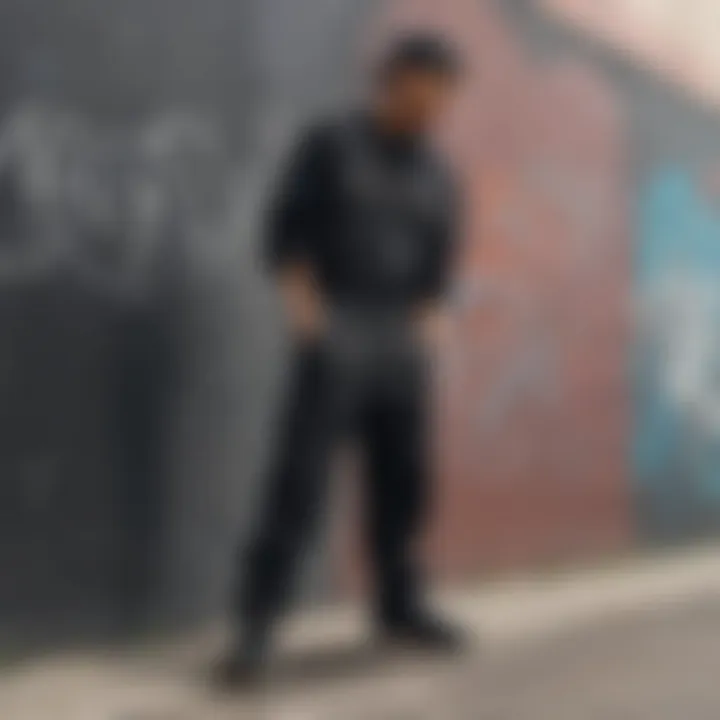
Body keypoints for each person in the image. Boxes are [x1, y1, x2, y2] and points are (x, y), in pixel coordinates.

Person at [220, 33, 465, 685]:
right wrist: (309, 316)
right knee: (297, 485)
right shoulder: (331, 145)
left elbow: (439, 274)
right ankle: (256, 627)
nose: (433, 109)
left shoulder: (440, 175)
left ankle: (398, 607)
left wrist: (429, 327)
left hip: (400, 340)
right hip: (339, 325)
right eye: (424, 94)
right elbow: (283, 232)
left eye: (444, 99)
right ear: (392, 81)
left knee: (404, 484)